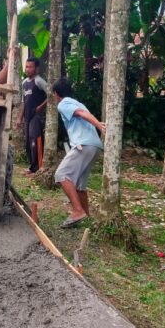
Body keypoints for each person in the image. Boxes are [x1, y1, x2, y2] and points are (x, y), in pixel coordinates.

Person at [51, 77, 105, 228]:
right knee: (80, 185)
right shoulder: (77, 102)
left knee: (61, 174)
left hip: (84, 144)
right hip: (94, 146)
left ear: (56, 93)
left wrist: (99, 125)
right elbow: (81, 112)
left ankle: (77, 211)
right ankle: (86, 217)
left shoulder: (63, 104)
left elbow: (81, 114)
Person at [15, 57, 48, 175]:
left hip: (36, 116)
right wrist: (19, 118)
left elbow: (51, 95)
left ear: (36, 68)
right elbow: (24, 102)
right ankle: (32, 166)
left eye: (30, 67)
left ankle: (38, 167)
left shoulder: (39, 81)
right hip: (27, 117)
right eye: (26, 66)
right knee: (28, 142)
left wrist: (41, 107)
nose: (28, 69)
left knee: (36, 140)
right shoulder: (24, 83)